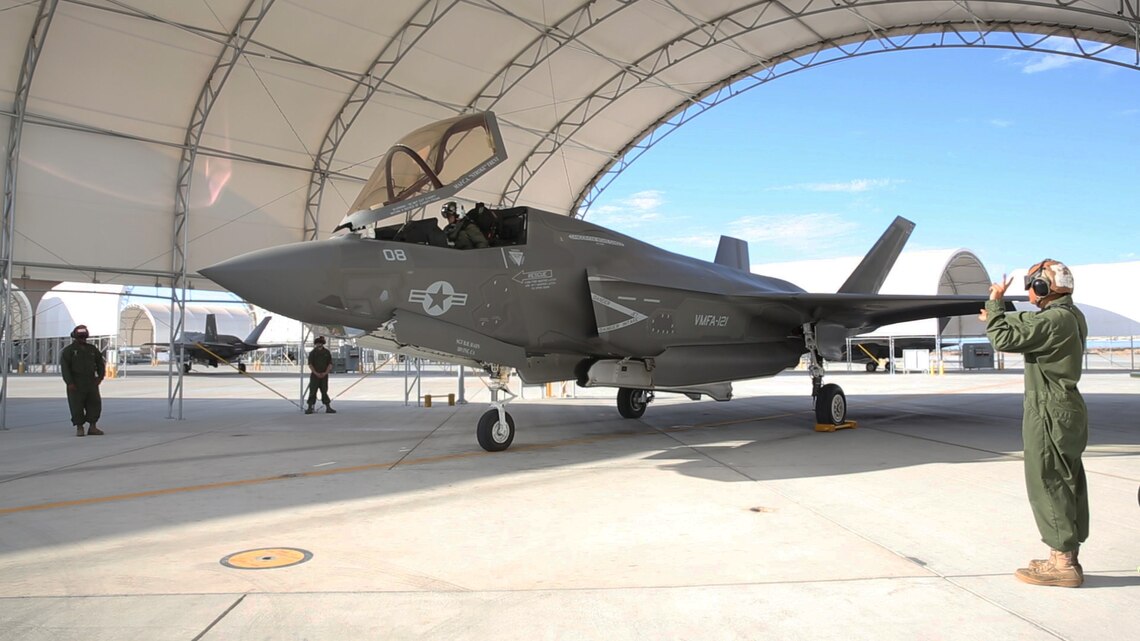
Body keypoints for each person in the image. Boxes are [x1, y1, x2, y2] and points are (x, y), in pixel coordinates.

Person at [980, 258, 1088, 588]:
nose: (1029, 290)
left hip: (1048, 410)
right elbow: (1028, 324)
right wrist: (1000, 314)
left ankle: (1063, 564)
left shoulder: (1055, 320)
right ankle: (1063, 554)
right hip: (1064, 408)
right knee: (1066, 480)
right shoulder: (1069, 316)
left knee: (1048, 480)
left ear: (1043, 288)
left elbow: (1002, 339)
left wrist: (995, 305)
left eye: (1032, 284)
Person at [60, 324, 105, 436]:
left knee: (94, 404)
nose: (83, 339)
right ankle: (79, 428)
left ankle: (93, 427)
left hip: (91, 382)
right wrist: (69, 382)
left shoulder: (92, 349)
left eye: (84, 337)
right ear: (75, 336)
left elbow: (100, 364)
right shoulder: (69, 351)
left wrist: (100, 377)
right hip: (76, 383)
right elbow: (65, 368)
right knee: (76, 406)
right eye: (80, 337)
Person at [305, 336, 336, 414]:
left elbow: (330, 364)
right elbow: (310, 364)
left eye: (320, 343)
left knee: (324, 391)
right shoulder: (312, 353)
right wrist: (316, 373)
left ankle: (328, 407)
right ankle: (310, 407)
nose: (319, 345)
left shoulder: (327, 352)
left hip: (324, 375)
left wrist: (325, 373)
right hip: (315, 375)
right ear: (316, 344)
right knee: (312, 391)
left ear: (322, 344)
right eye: (318, 343)